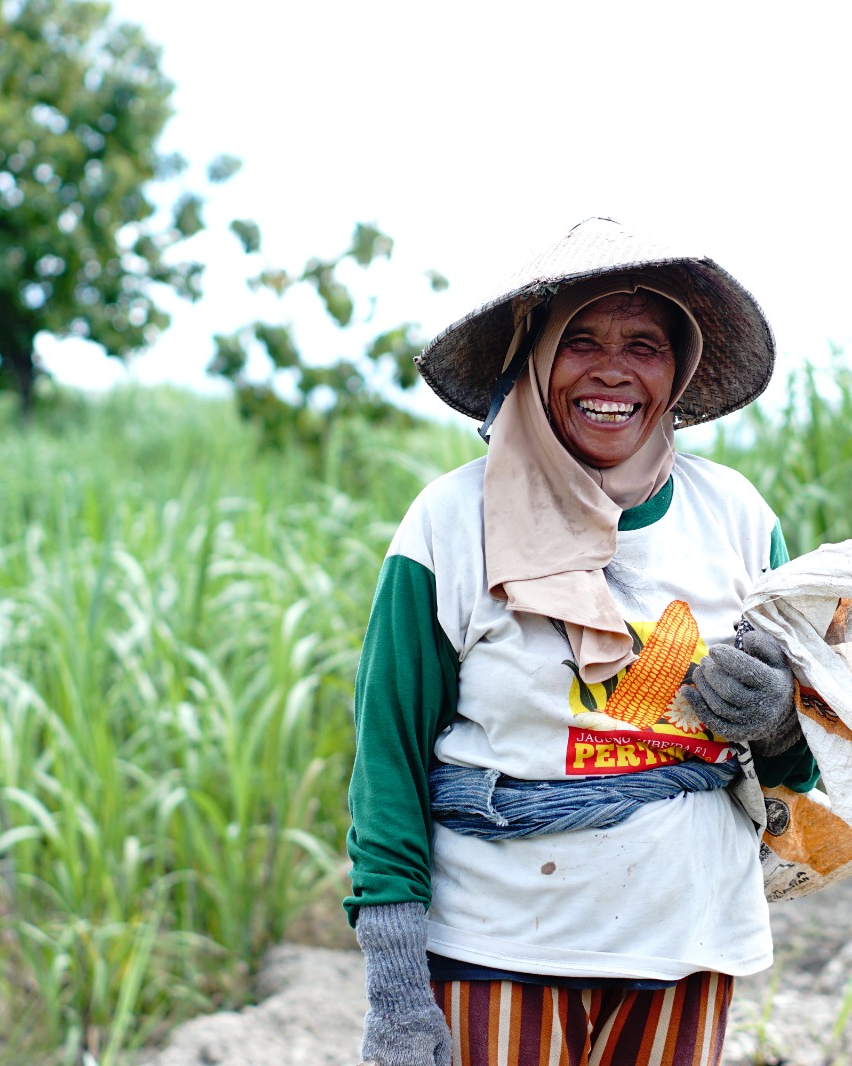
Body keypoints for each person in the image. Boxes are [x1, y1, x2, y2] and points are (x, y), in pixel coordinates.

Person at [346, 218, 820, 1066]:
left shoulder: (739, 519)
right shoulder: (450, 525)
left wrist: (779, 720)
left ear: (676, 370)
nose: (613, 369)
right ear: (535, 358)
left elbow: (803, 764)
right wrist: (393, 985)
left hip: (687, 942)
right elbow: (388, 759)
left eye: (645, 343)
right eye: (583, 341)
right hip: (501, 947)